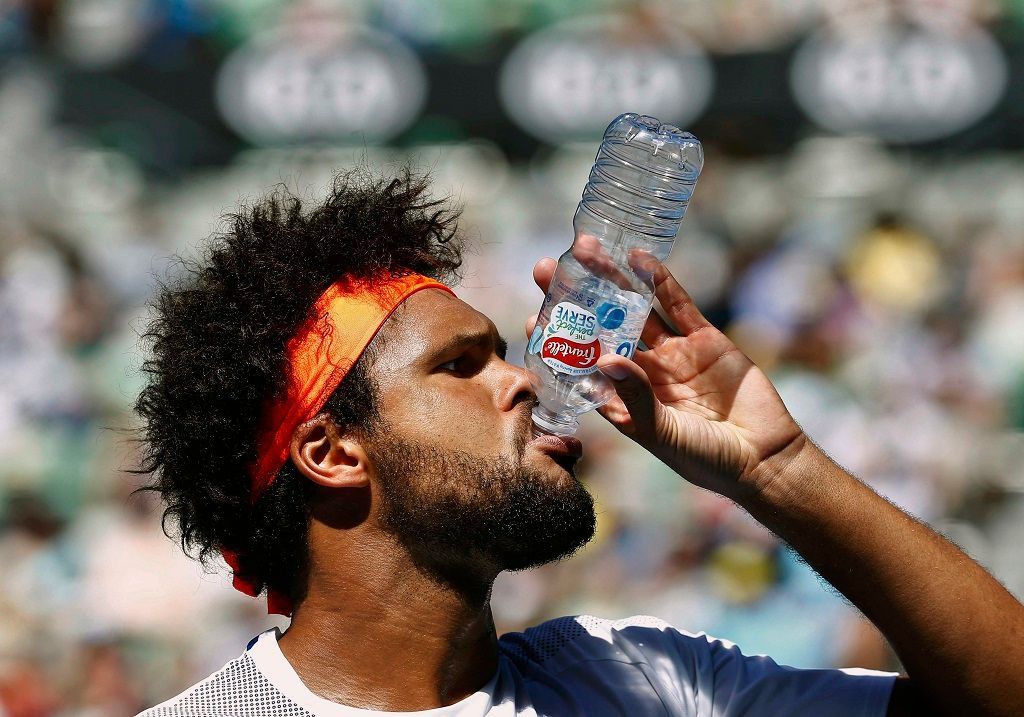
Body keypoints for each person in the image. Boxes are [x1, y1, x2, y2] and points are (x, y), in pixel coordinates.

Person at [134, 169, 1023, 717]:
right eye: (459, 366)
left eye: (501, 352)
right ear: (331, 452)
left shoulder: (647, 681)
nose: (522, 380)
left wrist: (780, 470)